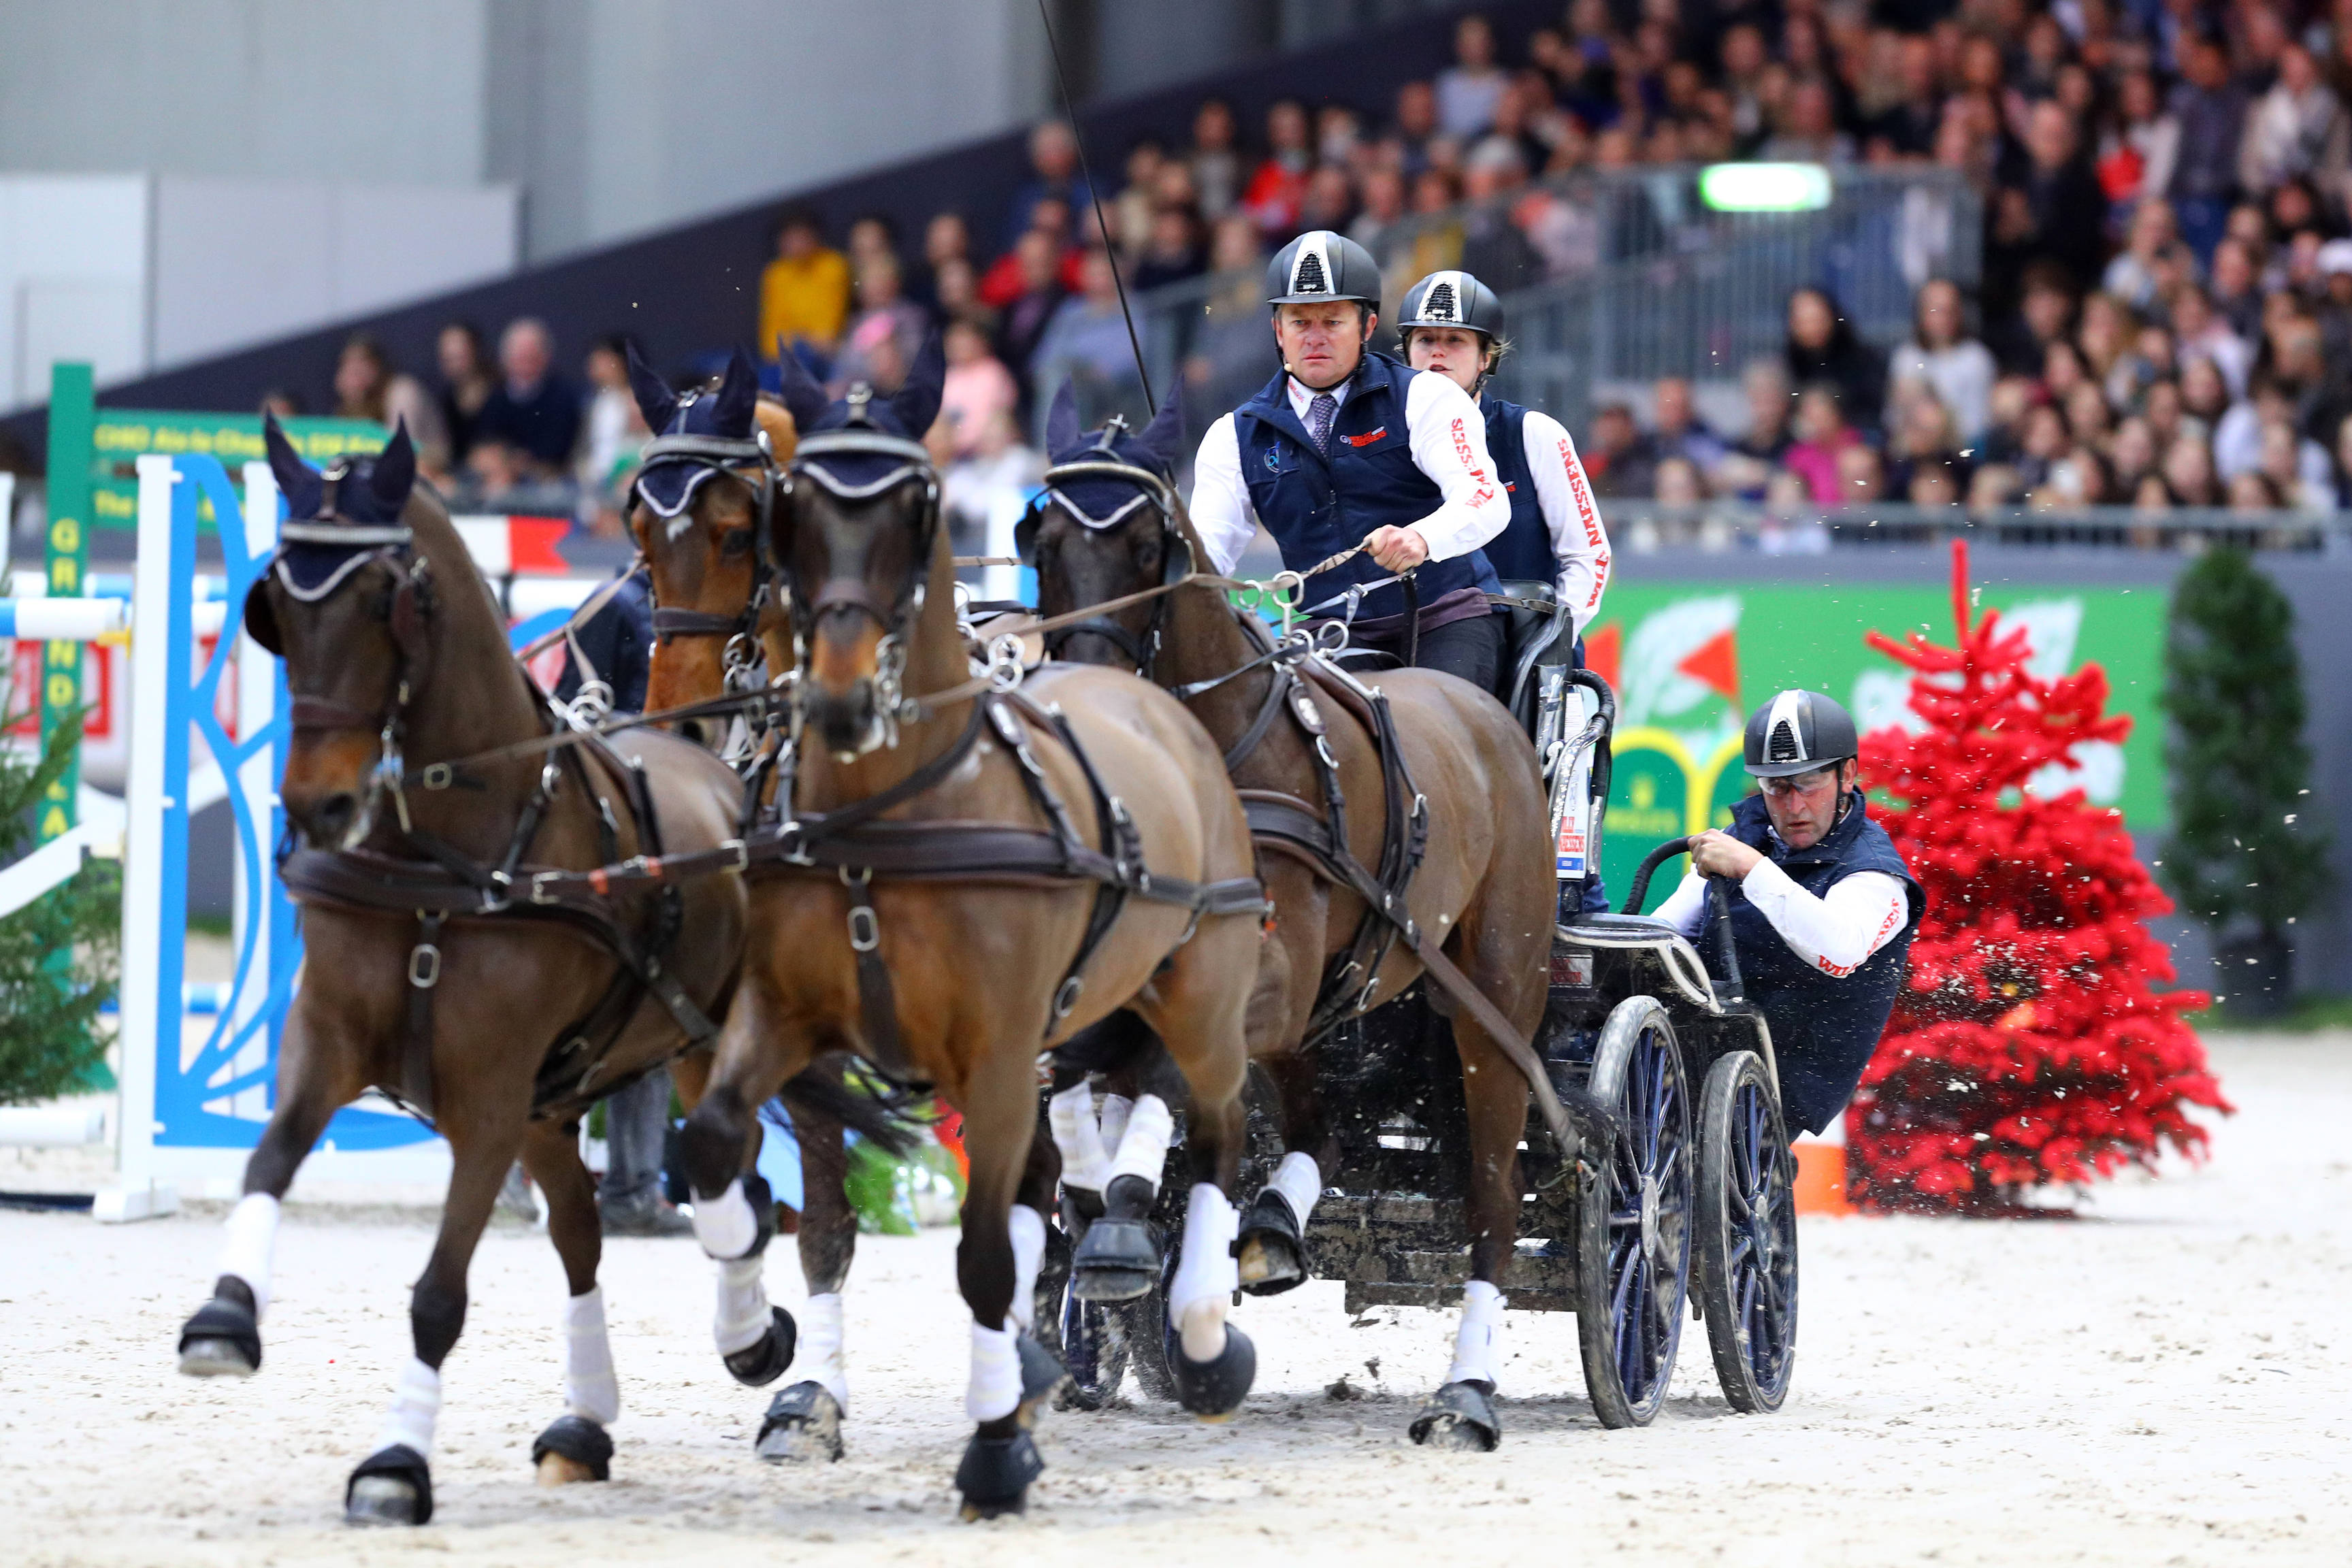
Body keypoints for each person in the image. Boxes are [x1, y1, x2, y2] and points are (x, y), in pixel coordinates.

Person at [1188, 231, 1512, 691]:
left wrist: (1422, 537)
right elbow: (1209, 552)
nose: (1315, 338)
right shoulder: (1232, 437)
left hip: (1445, 617)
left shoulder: (1425, 397)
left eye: (1332, 322)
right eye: (1300, 322)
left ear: (1366, 326)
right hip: (1329, 632)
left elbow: (1485, 497)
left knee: (1428, 732)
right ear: (1278, 331)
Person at [1649, 691, 1925, 1136]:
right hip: (1691, 1048)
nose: (1793, 806)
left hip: (1779, 1091)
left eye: (1810, 782)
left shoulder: (1877, 875)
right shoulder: (1747, 834)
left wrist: (1751, 868)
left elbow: (1837, 950)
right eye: (1777, 787)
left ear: (1848, 774)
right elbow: (1665, 931)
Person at [473, 318, 582, 478]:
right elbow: (484, 441)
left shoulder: (562, 397)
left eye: (530, 357)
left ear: (545, 357)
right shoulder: (495, 398)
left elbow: (555, 451)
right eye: (519, 358)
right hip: (497, 476)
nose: (524, 365)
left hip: (547, 479)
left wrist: (517, 463)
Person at [760, 208, 853, 365]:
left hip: (826, 354)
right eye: (789, 238)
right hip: (787, 356)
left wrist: (805, 340)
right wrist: (789, 345)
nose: (796, 244)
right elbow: (771, 334)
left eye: (801, 237)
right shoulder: (775, 274)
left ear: (814, 236)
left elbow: (830, 329)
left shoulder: (833, 265)